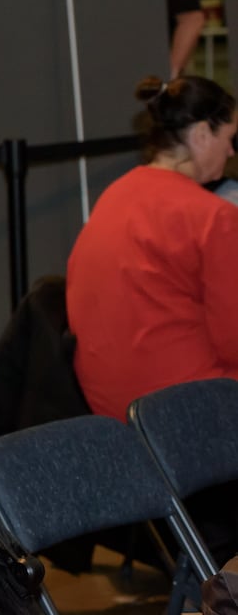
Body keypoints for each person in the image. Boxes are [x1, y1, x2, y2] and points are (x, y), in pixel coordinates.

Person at [66, 74, 238, 421]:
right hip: (187, 407)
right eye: (230, 138)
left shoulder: (115, 195)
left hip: (111, 405)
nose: (232, 151)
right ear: (202, 135)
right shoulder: (213, 216)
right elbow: (234, 340)